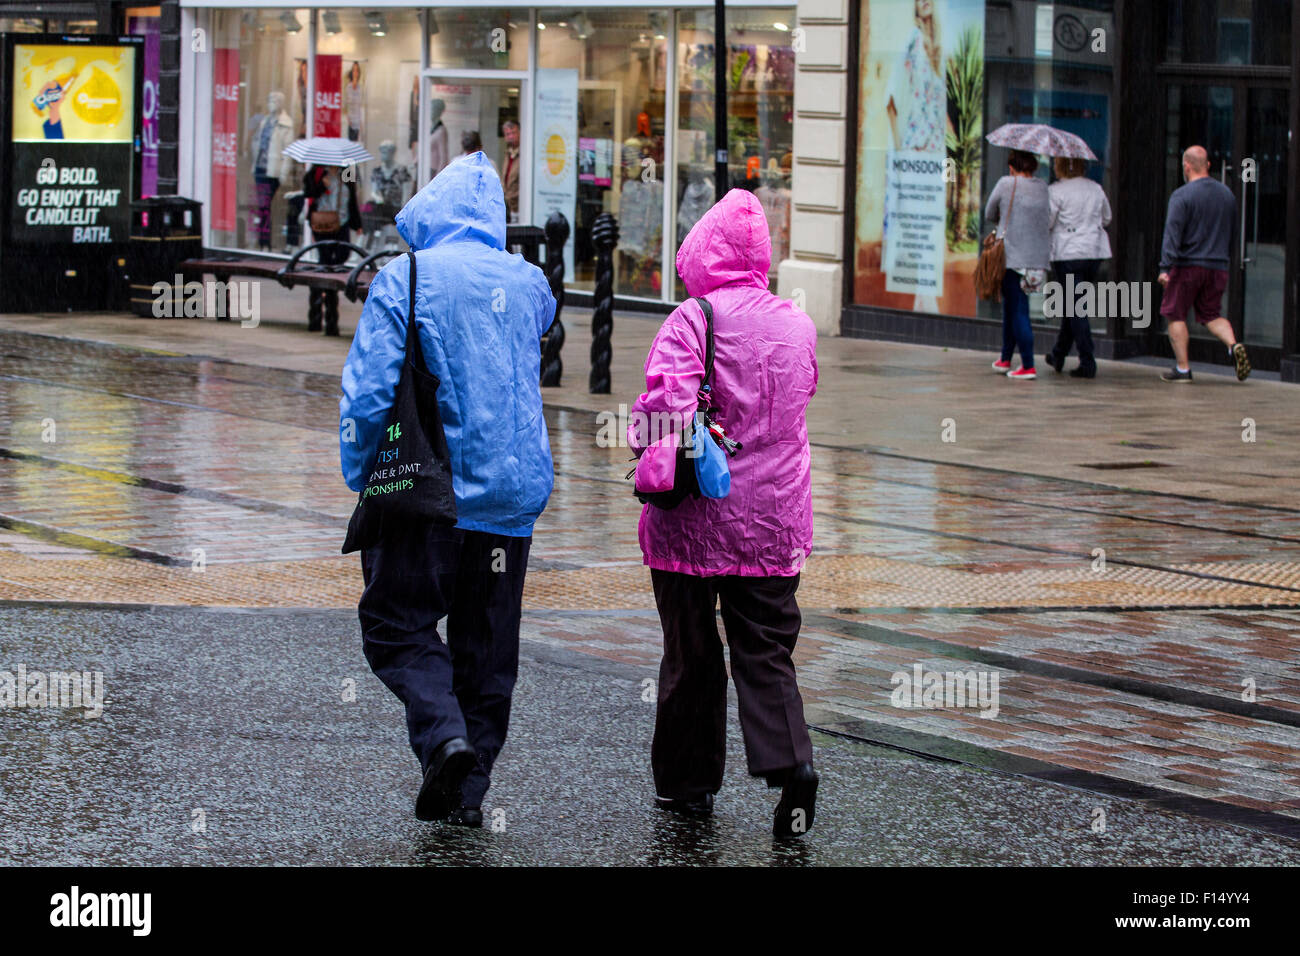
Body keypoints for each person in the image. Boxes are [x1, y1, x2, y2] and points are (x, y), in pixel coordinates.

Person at [339, 152, 556, 826]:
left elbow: (371, 390)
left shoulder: (403, 278)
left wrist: (361, 470)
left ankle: (445, 739)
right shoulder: (530, 283)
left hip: (433, 494)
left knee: (395, 624)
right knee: (487, 654)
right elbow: (536, 339)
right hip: (511, 503)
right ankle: (467, 790)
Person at [628, 188, 820, 839]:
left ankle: (688, 787)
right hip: (776, 521)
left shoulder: (693, 318)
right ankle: (792, 764)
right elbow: (801, 398)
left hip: (695, 523)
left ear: (703, 250)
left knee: (692, 653)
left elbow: (662, 411)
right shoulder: (798, 324)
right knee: (766, 653)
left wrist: (644, 443)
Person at [1157, 145, 1250, 383]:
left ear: (1186, 166)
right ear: (1208, 165)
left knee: (1174, 313)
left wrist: (1166, 267)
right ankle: (1233, 344)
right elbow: (1233, 231)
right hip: (1217, 266)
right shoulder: (1227, 195)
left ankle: (1183, 368)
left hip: (1188, 265)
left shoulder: (1182, 195)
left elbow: (1172, 234)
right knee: (1211, 314)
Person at [1043, 157, 1111, 378]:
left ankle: (1087, 361)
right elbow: (1107, 218)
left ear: (1060, 166)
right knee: (1073, 305)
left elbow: (1048, 221)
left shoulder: (1056, 191)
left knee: (1075, 307)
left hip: (1068, 252)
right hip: (1094, 252)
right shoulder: (1096, 188)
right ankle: (1058, 354)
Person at [985, 149, 1050, 380]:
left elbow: (989, 212)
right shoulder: (1043, 187)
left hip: (1012, 257)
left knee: (1018, 310)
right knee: (1013, 308)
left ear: (1012, 166)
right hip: (1037, 261)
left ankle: (1028, 365)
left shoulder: (1006, 183)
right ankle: (1005, 358)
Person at [302, 164, 360, 336]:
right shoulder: (316, 172)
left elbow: (352, 197)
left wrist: (357, 224)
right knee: (325, 259)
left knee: (342, 255)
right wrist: (321, 185)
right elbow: (308, 193)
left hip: (341, 221)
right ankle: (324, 309)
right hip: (322, 223)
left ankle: (329, 288)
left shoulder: (347, 173)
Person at [501, 120, 520, 221]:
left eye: (513, 133)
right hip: (509, 207)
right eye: (508, 134)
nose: (511, 136)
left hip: (520, 207)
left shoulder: (525, 153)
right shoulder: (508, 153)